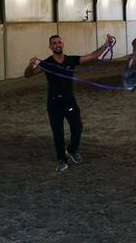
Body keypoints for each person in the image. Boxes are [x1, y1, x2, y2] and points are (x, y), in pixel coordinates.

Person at [24, 34, 114, 172]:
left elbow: (92, 56)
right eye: (54, 43)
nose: (57, 44)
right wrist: (30, 65)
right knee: (58, 132)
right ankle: (61, 159)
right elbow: (28, 75)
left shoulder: (71, 60)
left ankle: (72, 150)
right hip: (54, 102)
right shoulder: (46, 64)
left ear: (63, 44)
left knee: (77, 127)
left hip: (69, 100)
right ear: (50, 47)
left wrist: (106, 45)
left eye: (59, 42)